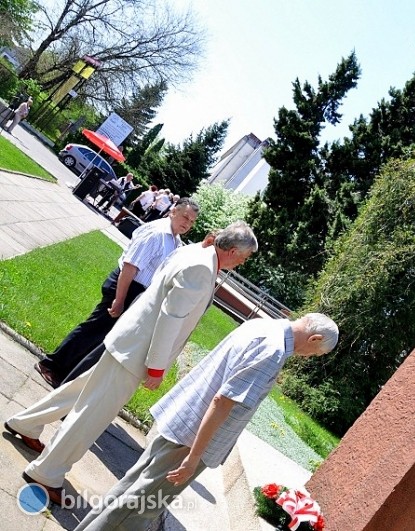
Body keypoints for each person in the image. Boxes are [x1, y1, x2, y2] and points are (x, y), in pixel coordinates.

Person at [4, 221, 257, 505]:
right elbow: (170, 320)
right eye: (245, 258)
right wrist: (157, 368)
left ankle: (26, 424)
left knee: (78, 392)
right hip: (136, 352)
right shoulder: (202, 268)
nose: (243, 263)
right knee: (90, 415)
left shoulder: (196, 253)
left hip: (129, 342)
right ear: (233, 250)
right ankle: (46, 474)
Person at [75, 313, 338, 530]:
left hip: (183, 422)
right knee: (138, 508)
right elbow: (223, 402)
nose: (308, 357)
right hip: (191, 440)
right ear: (314, 338)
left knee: (131, 487)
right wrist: (192, 458)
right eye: (314, 353)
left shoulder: (261, 326)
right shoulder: (274, 352)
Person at [34, 198, 200, 388]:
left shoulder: (174, 240)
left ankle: (66, 375)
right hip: (125, 286)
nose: (187, 223)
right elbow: (130, 267)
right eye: (185, 217)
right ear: (173, 212)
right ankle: (51, 365)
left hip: (136, 292)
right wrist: (119, 300)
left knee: (101, 337)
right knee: (93, 330)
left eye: (191, 221)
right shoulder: (157, 233)